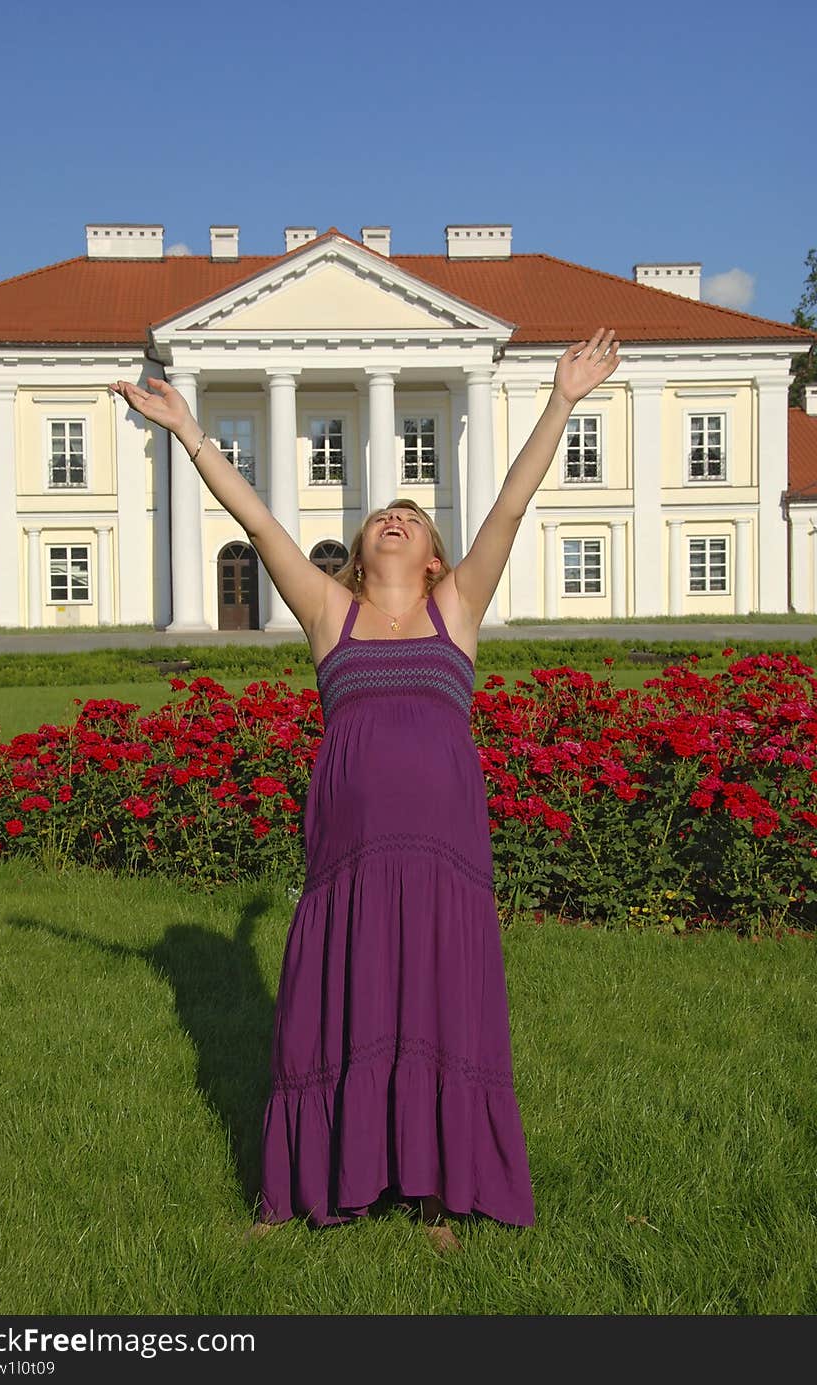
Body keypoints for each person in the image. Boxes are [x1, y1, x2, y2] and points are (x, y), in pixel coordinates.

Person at [111, 327, 620, 1254]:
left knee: (437, 996)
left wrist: (560, 401)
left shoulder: (455, 608)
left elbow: (510, 503)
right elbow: (260, 520)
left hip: (443, 854)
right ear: (359, 545)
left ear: (434, 556)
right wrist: (187, 430)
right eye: (383, 514)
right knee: (340, 995)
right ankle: (314, 1181)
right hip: (349, 855)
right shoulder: (326, 611)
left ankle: (440, 1196)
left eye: (414, 517)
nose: (395, 517)